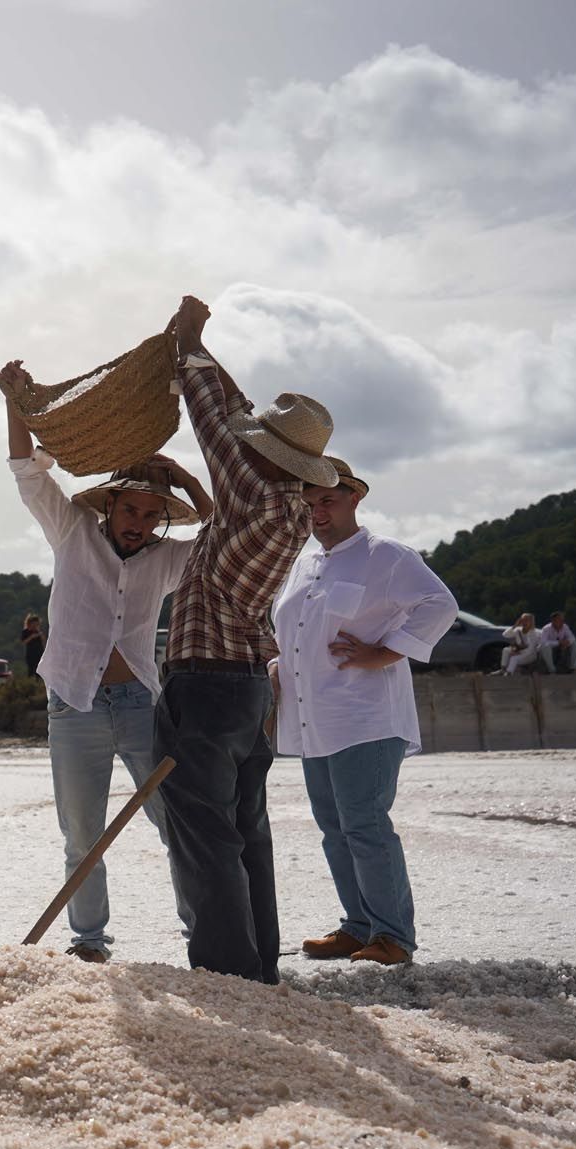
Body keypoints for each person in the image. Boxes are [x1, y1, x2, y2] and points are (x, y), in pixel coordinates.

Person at [1, 357, 215, 961]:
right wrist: (14, 402)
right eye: (131, 511)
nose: (140, 524)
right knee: (82, 833)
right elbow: (27, 471)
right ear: (111, 505)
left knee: (174, 825)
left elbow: (224, 535)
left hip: (140, 704)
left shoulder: (169, 558)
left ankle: (203, 932)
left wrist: (182, 478)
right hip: (73, 702)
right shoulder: (71, 531)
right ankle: (89, 942)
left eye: (152, 515)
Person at [154, 294, 339, 985]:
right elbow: (235, 421)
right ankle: (258, 967)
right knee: (245, 832)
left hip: (203, 683)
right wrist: (202, 354)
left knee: (205, 834)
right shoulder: (288, 506)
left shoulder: (251, 489)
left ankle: (229, 973)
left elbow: (213, 418)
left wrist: (190, 342)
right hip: (243, 686)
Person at [273, 457, 457, 969]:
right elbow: (296, 633)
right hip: (314, 719)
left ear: (356, 497)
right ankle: (358, 927)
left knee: (365, 825)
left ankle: (394, 938)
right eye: (308, 503)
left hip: (366, 717)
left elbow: (439, 604)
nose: (317, 511)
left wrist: (386, 651)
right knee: (334, 826)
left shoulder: (386, 556)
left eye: (327, 499)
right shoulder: (303, 564)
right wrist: (276, 664)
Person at [19, 614, 46, 679]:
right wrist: (32, 637)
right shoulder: (26, 631)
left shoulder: (38, 631)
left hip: (39, 653)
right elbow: (24, 642)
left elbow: (44, 640)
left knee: (39, 671)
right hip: (30, 654)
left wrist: (39, 633)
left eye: (37, 624)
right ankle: (29, 684)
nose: (35, 625)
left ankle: (38, 684)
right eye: (34, 623)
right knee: (31, 670)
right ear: (30, 623)